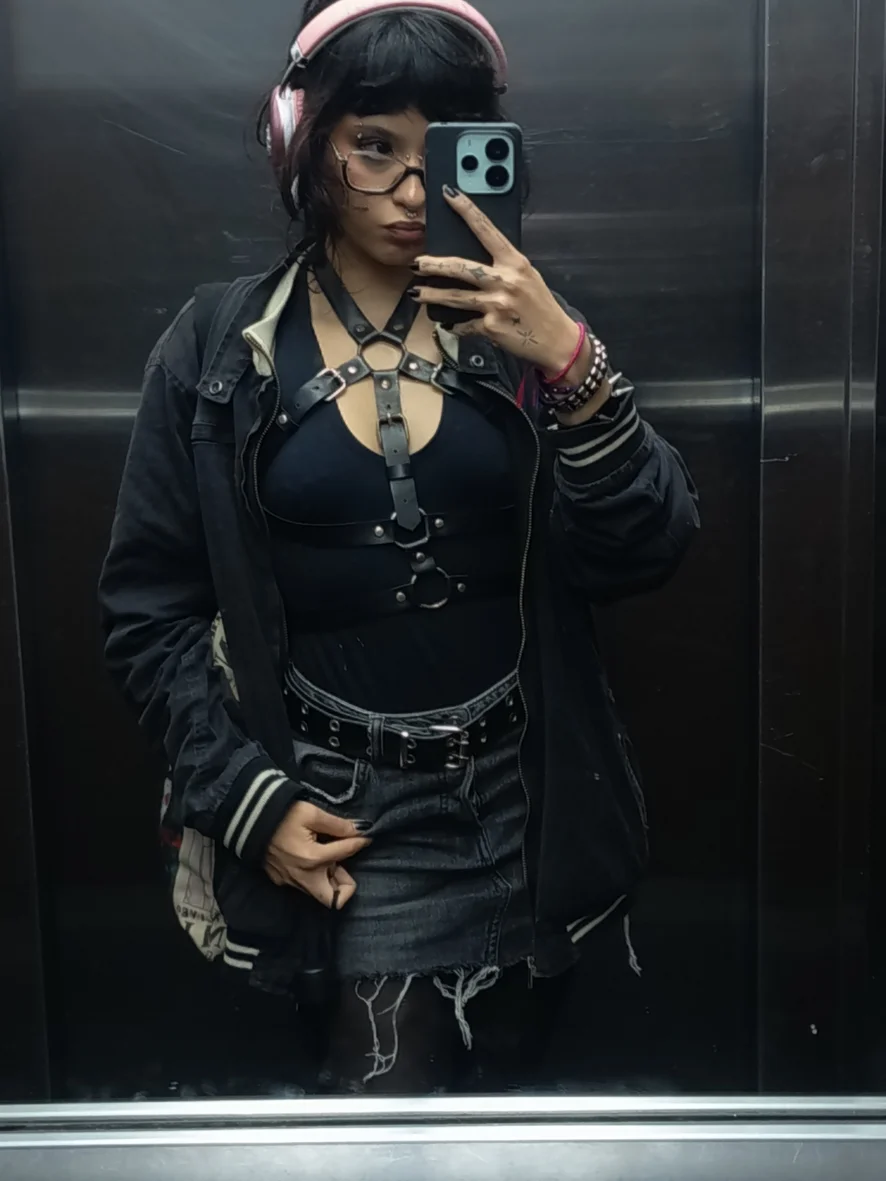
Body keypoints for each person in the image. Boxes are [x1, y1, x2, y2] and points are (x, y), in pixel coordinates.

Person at [99, 0, 699, 1096]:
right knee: (389, 1108)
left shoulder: (529, 328)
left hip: (537, 805)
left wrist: (572, 365)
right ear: (304, 142)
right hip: (342, 814)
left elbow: (646, 549)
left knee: (525, 1117)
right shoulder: (220, 349)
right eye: (374, 146)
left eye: (446, 152)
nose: (417, 192)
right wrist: (247, 800)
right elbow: (149, 613)